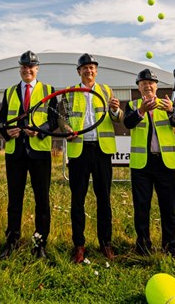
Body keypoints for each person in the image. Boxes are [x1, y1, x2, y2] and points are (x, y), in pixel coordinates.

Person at [0, 51, 58, 259]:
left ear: (37, 68)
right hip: (15, 153)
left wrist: (40, 129)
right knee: (15, 199)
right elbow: (2, 122)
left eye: (31, 66)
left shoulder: (49, 91)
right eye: (24, 66)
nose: (27, 70)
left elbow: (54, 121)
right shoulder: (9, 92)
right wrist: (8, 132)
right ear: (20, 68)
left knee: (42, 200)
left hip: (40, 154)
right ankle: (12, 241)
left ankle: (40, 243)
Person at [63, 53, 123, 263]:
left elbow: (117, 118)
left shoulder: (106, 91)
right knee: (77, 200)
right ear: (79, 71)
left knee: (104, 199)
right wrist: (66, 128)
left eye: (92, 68)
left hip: (101, 151)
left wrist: (116, 110)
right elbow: (61, 119)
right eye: (85, 68)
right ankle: (79, 245)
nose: (89, 71)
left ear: (96, 71)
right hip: (79, 151)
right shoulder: (70, 93)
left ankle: (105, 243)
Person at [123, 68, 175, 260]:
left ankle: (170, 248)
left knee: (168, 208)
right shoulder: (132, 105)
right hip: (142, 165)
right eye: (143, 83)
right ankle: (143, 247)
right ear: (138, 87)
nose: (148, 86)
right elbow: (128, 123)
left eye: (151, 83)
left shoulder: (166, 104)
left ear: (156, 86)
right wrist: (141, 111)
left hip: (165, 164)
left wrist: (172, 111)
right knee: (141, 208)